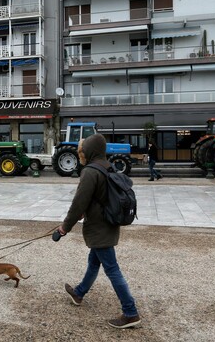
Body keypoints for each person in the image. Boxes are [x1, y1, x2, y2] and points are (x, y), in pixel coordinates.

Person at [56, 133, 141, 329]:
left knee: (112, 269)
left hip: (99, 227)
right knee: (94, 261)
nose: (82, 152)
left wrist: (64, 228)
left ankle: (130, 313)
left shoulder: (90, 171)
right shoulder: (107, 166)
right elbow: (99, 197)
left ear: (89, 150)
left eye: (84, 149)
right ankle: (79, 292)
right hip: (108, 223)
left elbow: (79, 203)